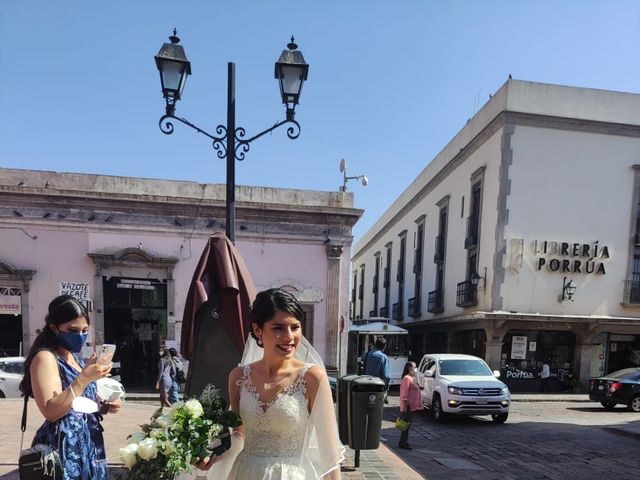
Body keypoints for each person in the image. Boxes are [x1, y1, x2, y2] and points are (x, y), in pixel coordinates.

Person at [198, 288, 344, 479]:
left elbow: (329, 452)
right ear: (258, 330)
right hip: (244, 473)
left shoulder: (312, 377)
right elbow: (239, 435)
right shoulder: (238, 377)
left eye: (295, 327)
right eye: (278, 328)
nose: (289, 336)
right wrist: (214, 456)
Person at [19, 295, 121, 479]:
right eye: (73, 330)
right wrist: (84, 378)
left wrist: (105, 406)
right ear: (54, 327)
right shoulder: (45, 358)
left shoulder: (75, 359)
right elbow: (51, 411)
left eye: (84, 330)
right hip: (64, 447)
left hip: (89, 443)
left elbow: (80, 404)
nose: (80, 336)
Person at [398, 361, 422, 450]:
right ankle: (403, 442)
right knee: (405, 424)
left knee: (407, 424)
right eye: (414, 367)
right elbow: (404, 393)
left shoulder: (412, 378)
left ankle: (404, 441)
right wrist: (404, 405)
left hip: (411, 406)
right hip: (407, 405)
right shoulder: (406, 378)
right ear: (409, 368)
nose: (416, 369)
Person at [363, 337, 391, 403]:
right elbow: (386, 376)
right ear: (384, 347)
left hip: (366, 385)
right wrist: (386, 389)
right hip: (378, 387)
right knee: (377, 409)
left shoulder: (367, 355)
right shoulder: (383, 357)